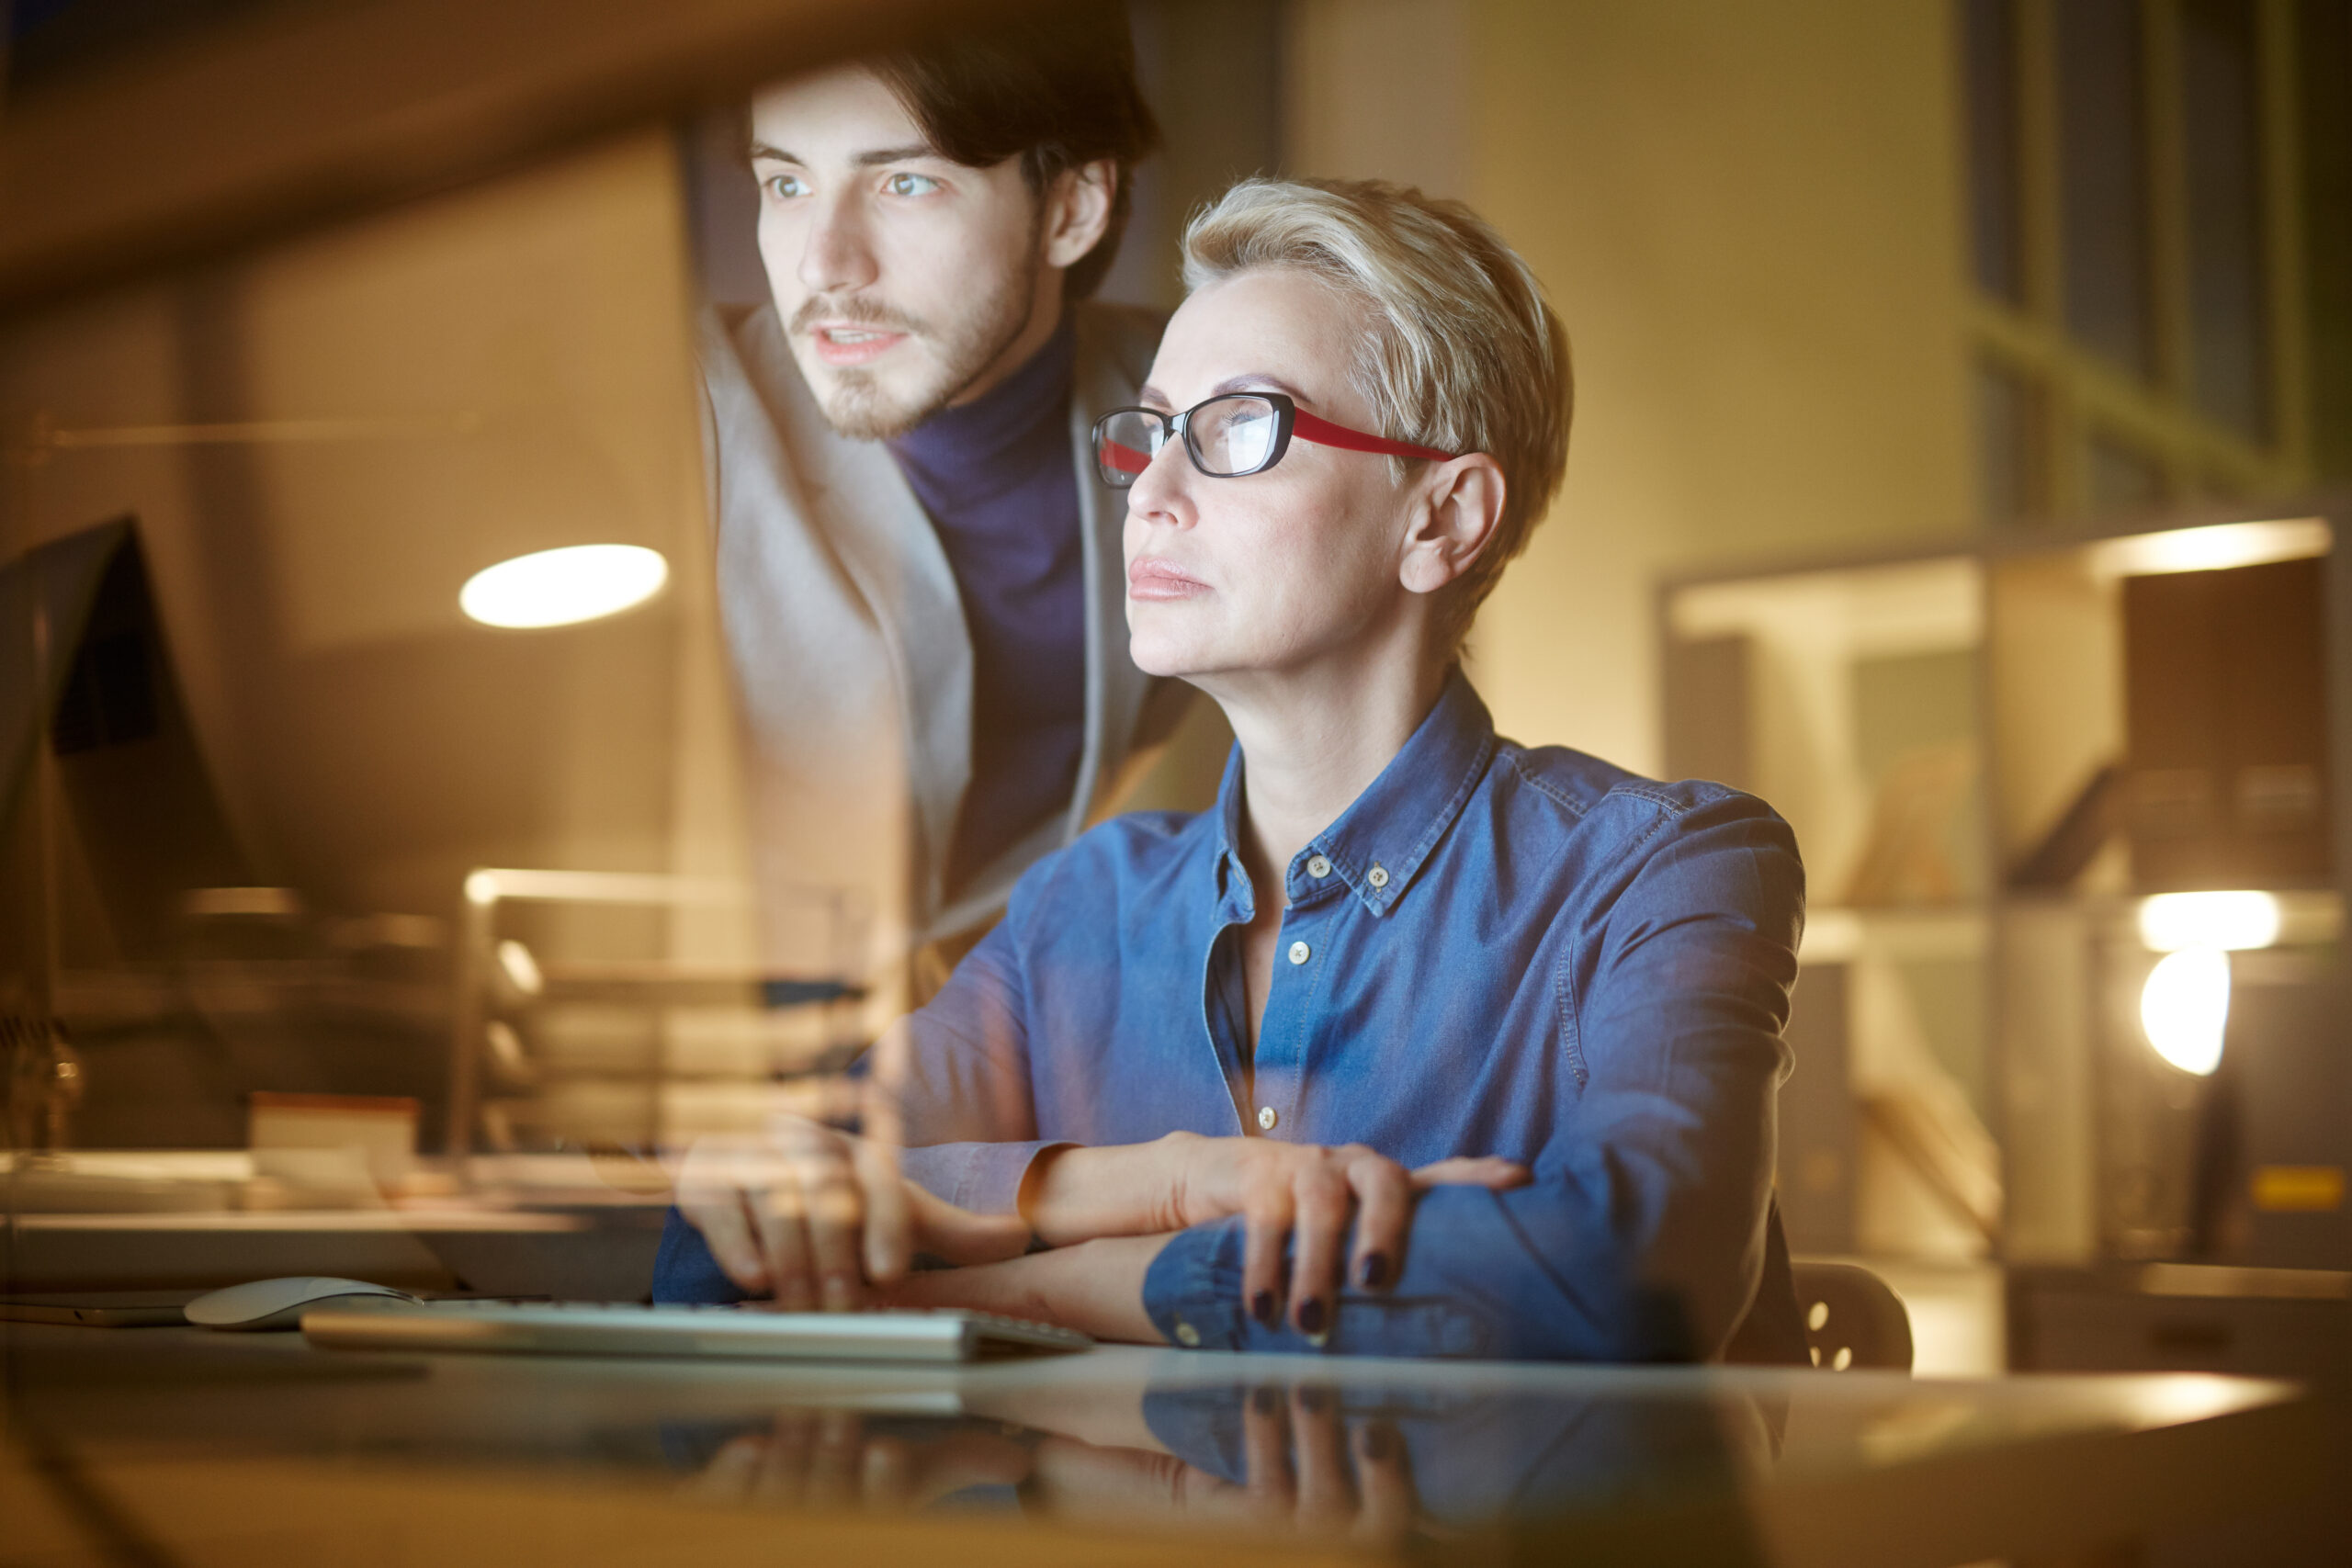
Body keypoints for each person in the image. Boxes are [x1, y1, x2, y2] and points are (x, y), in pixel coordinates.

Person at [659, 176, 1808, 1365]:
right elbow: (730, 1243)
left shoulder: (1661, 866)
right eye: (1150, 430)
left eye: (1238, 427)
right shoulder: (1083, 902)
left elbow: (1631, 1283)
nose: (1149, 494)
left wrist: (1068, 1282)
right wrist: (1157, 1182)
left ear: (1444, 518)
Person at [705, 8, 1187, 1006]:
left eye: (905, 181)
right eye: (785, 183)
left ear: (1072, 210)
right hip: (691, 1094)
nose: (823, 264)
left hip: (990, 1090)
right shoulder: (679, 423)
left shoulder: (1192, 411)